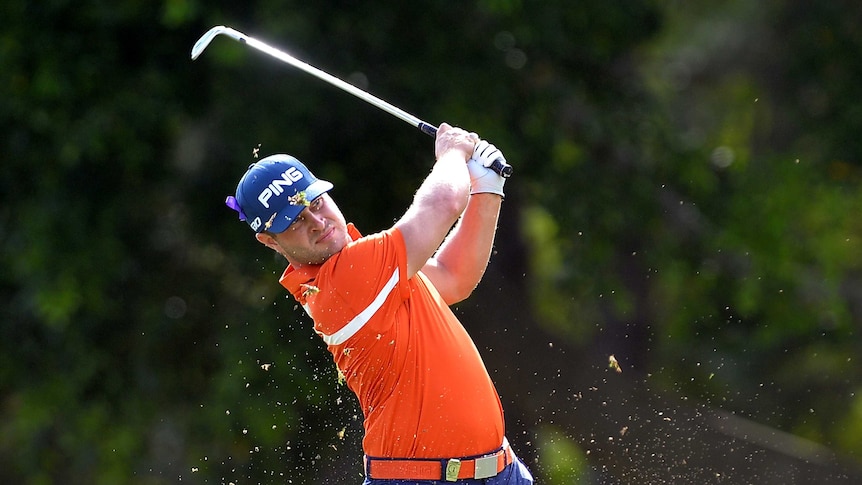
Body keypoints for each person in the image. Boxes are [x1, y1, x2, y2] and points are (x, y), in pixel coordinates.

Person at [225, 123, 534, 484]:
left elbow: (453, 276)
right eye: (294, 221)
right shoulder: (344, 282)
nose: (316, 222)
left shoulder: (369, 268)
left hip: (500, 470)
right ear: (270, 241)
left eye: (316, 202)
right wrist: (453, 152)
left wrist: (487, 188)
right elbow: (445, 202)